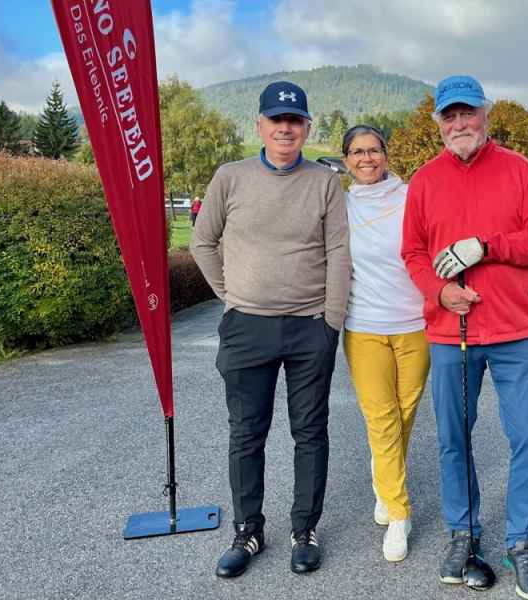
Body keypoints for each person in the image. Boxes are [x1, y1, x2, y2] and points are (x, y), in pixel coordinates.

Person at [401, 75, 528, 599]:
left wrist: (486, 246)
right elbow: (413, 253)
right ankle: (463, 532)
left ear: (485, 115)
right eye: (449, 116)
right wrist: (440, 292)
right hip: (452, 332)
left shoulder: (519, 169)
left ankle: (522, 541)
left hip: (516, 330)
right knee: (454, 437)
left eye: (467, 113)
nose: (459, 124)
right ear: (439, 124)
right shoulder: (425, 181)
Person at [190, 81, 351, 579]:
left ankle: (305, 529)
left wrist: (331, 320)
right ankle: (248, 531)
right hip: (246, 327)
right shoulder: (230, 177)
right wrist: (233, 296)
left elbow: (338, 251)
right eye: (277, 120)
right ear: (259, 125)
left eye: (295, 120)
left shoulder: (324, 182)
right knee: (246, 433)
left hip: (310, 327)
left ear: (307, 127)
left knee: (310, 432)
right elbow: (202, 242)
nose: (286, 128)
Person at [340, 125, 429, 562]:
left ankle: (384, 475)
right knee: (381, 418)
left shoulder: (413, 197)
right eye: (357, 152)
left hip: (415, 324)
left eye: (374, 150)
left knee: (404, 415)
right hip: (364, 326)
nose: (367, 159)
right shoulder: (340, 205)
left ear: (386, 155)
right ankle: (398, 512)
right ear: (346, 161)